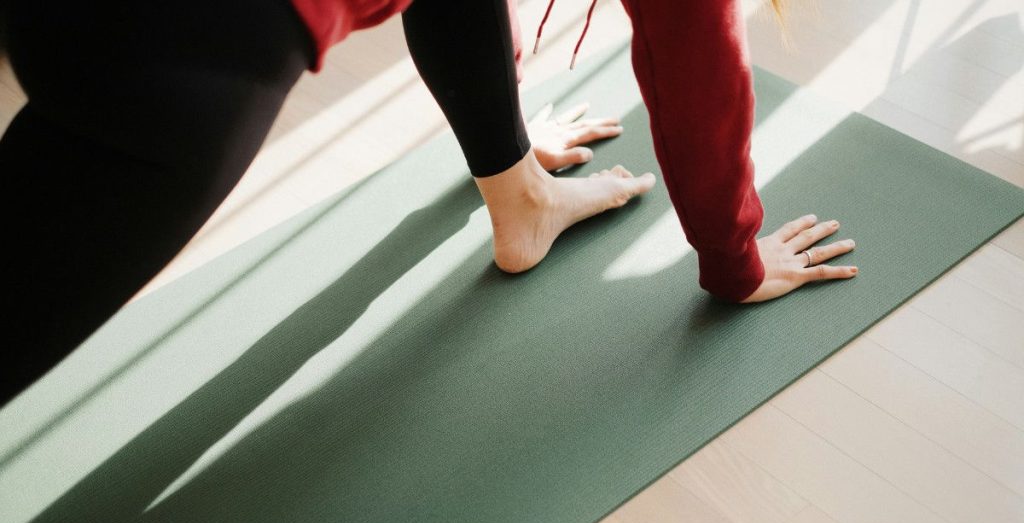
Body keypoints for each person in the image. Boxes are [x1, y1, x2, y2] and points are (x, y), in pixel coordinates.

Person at [0, 0, 855, 403]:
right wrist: (734, 257)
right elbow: (698, 60)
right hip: (182, 46)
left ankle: (521, 198)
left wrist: (507, 148)